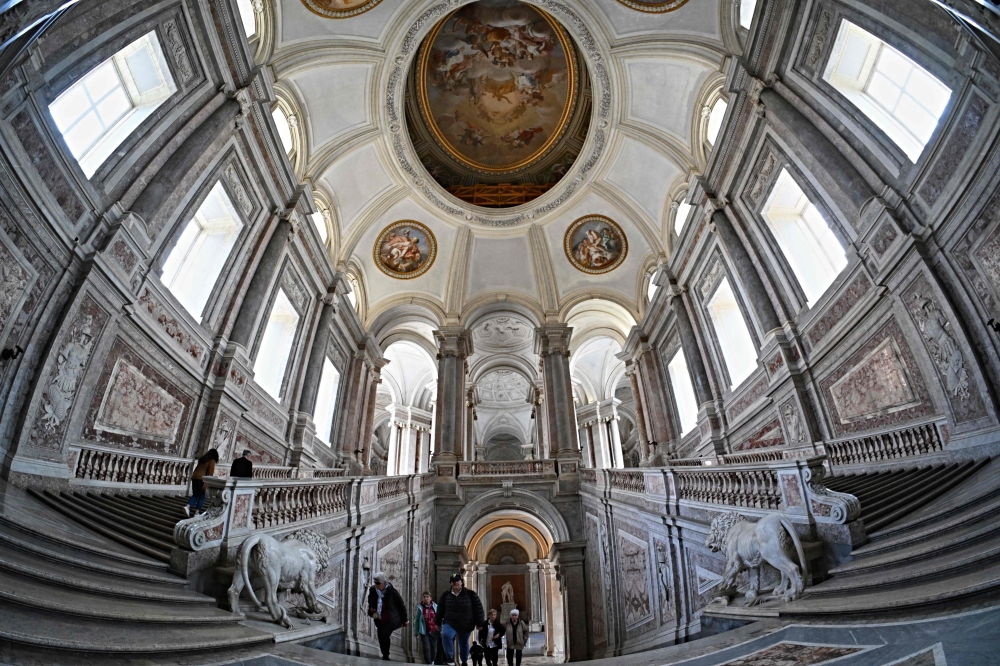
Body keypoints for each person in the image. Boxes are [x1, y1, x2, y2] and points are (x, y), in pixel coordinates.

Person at [435, 573, 484, 666]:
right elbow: (440, 610)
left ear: (461, 582)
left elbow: (478, 608)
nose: (456, 583)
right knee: (446, 635)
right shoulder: (446, 595)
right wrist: (437, 623)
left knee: (463, 643)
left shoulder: (471, 594)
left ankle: (464, 661)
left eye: (457, 581)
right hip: (450, 622)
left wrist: (480, 623)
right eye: (453, 581)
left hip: (466, 623)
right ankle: (449, 658)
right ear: (450, 583)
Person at [367, 572, 408, 661]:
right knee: (381, 636)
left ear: (384, 583)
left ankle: (386, 655)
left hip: (390, 618)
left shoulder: (392, 592)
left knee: (384, 635)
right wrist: (371, 608)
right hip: (378, 618)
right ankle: (385, 653)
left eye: (378, 583)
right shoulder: (373, 590)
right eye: (375, 583)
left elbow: (401, 606)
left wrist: (405, 620)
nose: (376, 585)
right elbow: (370, 600)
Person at [184, 448, 219, 517]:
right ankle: (196, 513)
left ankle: (187, 507)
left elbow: (196, 469)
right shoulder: (211, 461)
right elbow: (210, 474)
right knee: (202, 497)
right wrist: (207, 484)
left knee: (195, 495)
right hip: (202, 479)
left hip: (195, 478)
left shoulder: (202, 459)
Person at [413, 591, 439, 665]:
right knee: (426, 647)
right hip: (424, 631)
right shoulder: (420, 607)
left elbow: (440, 619)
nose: (425, 598)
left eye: (427, 596)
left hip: (434, 630)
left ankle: (432, 660)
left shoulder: (435, 607)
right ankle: (428, 662)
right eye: (424, 597)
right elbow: (417, 619)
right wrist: (416, 632)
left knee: (434, 648)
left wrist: (441, 630)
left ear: (430, 598)